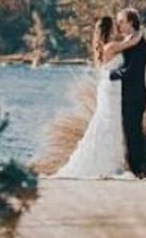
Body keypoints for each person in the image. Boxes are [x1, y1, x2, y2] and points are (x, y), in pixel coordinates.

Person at [51, 13, 140, 179]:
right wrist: (139, 31)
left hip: (109, 88)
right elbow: (133, 42)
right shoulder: (111, 47)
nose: (117, 27)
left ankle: (109, 163)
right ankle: (108, 164)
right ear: (109, 29)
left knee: (108, 123)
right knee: (109, 124)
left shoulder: (104, 47)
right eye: (115, 25)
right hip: (111, 89)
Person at [108, 7, 146, 175]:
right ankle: (134, 170)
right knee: (129, 133)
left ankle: (137, 171)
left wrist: (111, 75)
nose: (118, 25)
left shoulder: (139, 44)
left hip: (136, 96)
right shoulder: (129, 41)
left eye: (121, 21)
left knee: (134, 134)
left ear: (131, 22)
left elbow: (132, 70)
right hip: (128, 95)